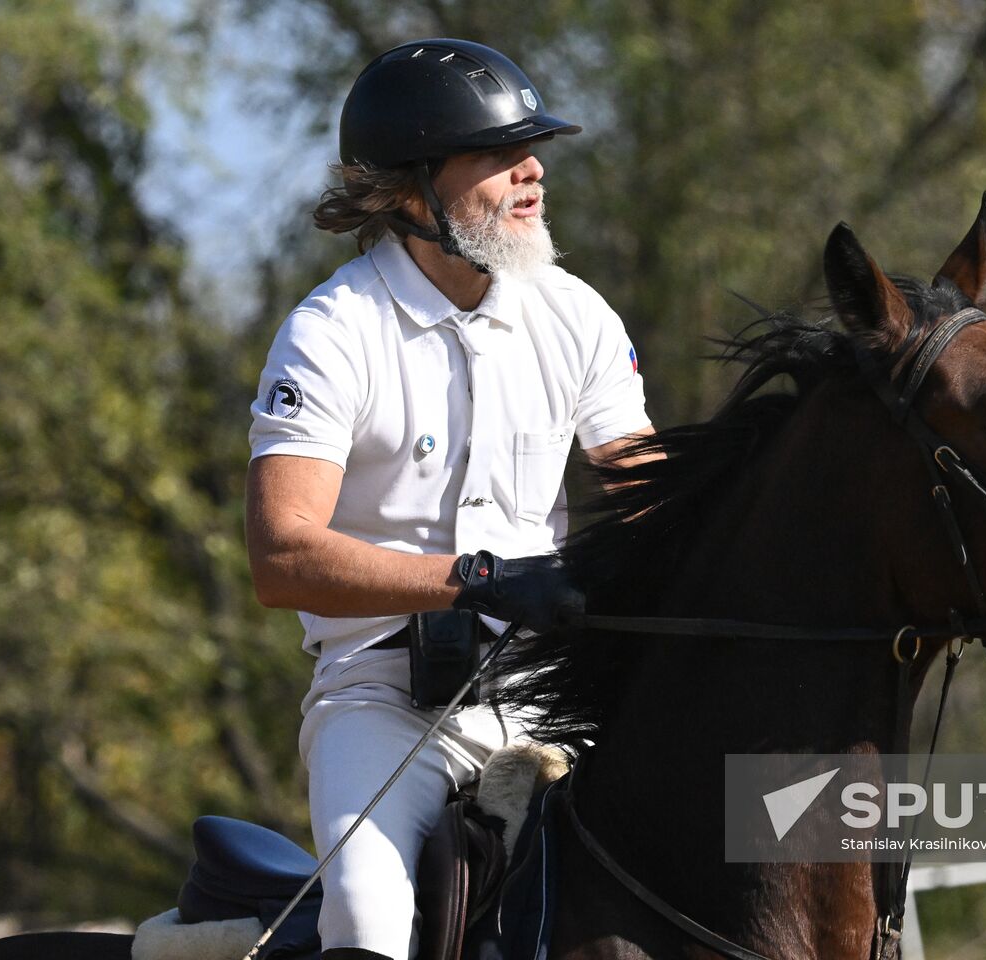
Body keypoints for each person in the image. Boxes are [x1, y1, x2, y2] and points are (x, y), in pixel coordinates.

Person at [244, 38, 653, 960]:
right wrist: (476, 580)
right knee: (368, 919)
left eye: (533, 149)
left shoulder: (576, 313)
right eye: (499, 156)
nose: (533, 170)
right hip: (384, 702)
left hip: (554, 692)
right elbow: (282, 555)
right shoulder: (331, 332)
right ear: (407, 190)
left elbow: (649, 499)